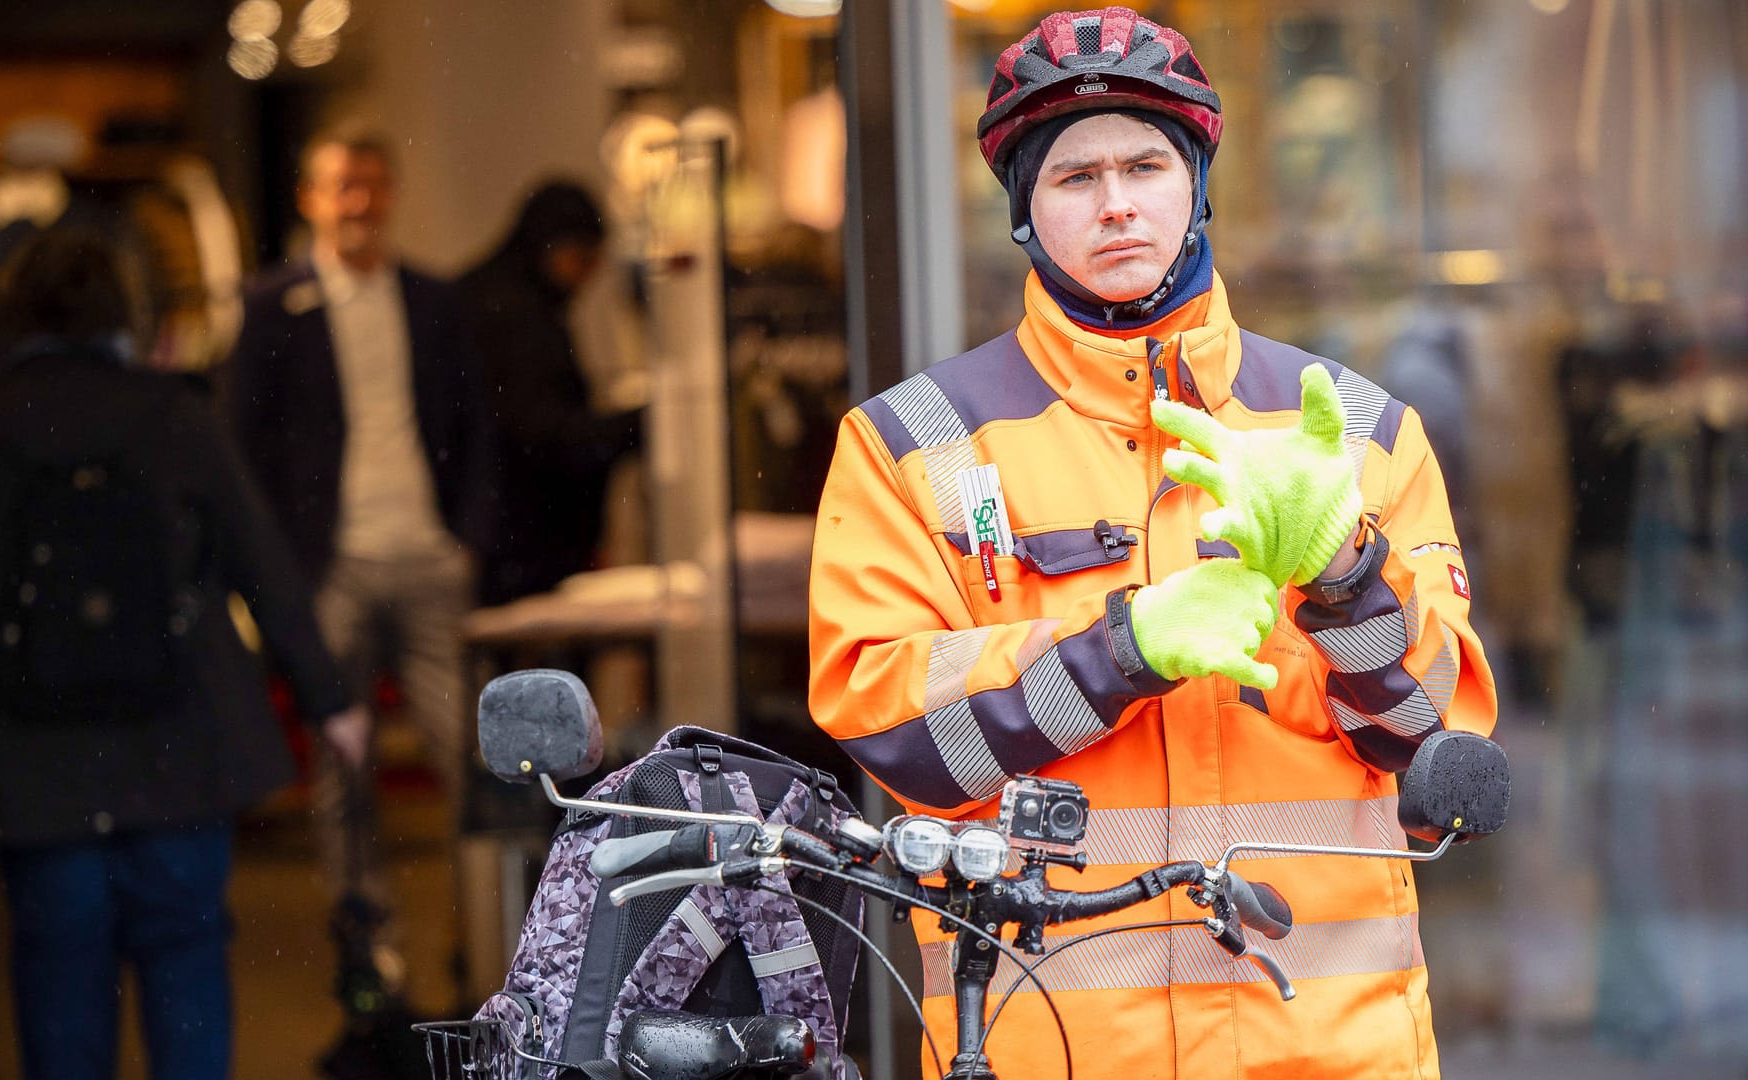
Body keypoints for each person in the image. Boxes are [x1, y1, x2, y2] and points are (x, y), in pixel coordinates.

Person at [807, 9, 1497, 1078]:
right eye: (1074, 176)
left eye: (1148, 164)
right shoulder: (911, 445)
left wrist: (1347, 577)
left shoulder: (1357, 433)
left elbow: (1429, 740)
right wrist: (1116, 654)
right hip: (1053, 1052)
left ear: (1199, 184)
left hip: (1326, 1049)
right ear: (1025, 212)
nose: (1118, 202)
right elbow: (895, 735)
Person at [0, 225, 366, 1080]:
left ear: (12, 317)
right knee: (187, 962)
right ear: (123, 312)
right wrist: (329, 699)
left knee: (59, 979)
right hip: (176, 751)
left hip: (33, 766)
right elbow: (261, 563)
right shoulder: (176, 418)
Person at [226, 129, 489, 955]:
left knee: (466, 756)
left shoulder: (431, 299)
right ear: (310, 198)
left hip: (427, 557)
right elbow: (244, 445)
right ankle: (366, 943)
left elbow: (477, 428)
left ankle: (483, 940)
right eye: (343, 186)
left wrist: (467, 540)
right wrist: (279, 569)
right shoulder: (274, 305)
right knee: (344, 767)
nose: (360, 203)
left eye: (373, 185)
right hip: (331, 565)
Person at [456, 181, 640, 607]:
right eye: (582, 259)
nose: (587, 277)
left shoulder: (495, 298)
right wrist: (638, 425)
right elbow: (544, 432)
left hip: (504, 539)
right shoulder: (516, 317)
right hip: (522, 546)